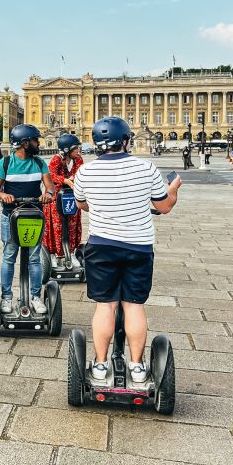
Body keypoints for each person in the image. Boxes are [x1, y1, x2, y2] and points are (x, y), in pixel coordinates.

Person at [73, 116, 181, 384]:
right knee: (133, 306)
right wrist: (174, 190)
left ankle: (99, 364)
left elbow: (82, 205)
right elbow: (164, 206)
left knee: (105, 306)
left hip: (102, 247)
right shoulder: (146, 168)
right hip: (138, 246)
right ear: (125, 140)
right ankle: (136, 366)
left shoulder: (85, 172)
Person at [0, 124, 54, 314]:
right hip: (11, 216)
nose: (38, 143)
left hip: (34, 215)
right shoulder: (6, 163)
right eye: (35, 140)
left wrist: (48, 194)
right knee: (9, 256)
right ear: (25, 143)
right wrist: (3, 196)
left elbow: (50, 186)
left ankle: (35, 297)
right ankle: (6, 298)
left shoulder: (40, 162)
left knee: (34, 259)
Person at [43, 134, 84, 271]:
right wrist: (65, 180)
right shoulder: (56, 159)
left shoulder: (78, 160)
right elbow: (50, 175)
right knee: (56, 226)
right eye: (75, 148)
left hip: (71, 198)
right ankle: (54, 255)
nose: (78, 151)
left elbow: (81, 172)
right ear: (67, 150)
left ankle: (71, 253)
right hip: (56, 198)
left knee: (72, 225)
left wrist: (74, 178)